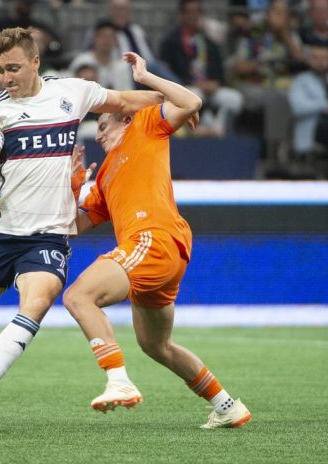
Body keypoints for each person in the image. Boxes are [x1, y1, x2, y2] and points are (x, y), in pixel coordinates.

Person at [0, 27, 162, 420]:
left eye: (13, 68)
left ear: (35, 62)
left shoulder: (72, 92)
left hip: (48, 236)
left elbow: (124, 100)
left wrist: (174, 103)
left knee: (37, 303)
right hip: (0, 232)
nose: (6, 77)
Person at [62, 52, 251, 429]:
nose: (97, 134)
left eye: (103, 123)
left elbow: (191, 102)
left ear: (125, 117)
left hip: (153, 240)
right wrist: (71, 187)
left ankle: (118, 380)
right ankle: (227, 405)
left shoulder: (146, 125)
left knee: (78, 296)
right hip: (159, 252)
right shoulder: (104, 177)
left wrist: (146, 77)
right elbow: (71, 227)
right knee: (155, 345)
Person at [159, 0, 243, 136]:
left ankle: (218, 128)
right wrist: (193, 83)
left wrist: (215, 83)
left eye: (197, 12)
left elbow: (219, 72)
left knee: (234, 98)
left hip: (210, 89)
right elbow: (166, 75)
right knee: (194, 95)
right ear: (181, 15)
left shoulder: (209, 43)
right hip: (186, 88)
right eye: (189, 12)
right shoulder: (170, 43)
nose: (194, 16)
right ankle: (195, 129)